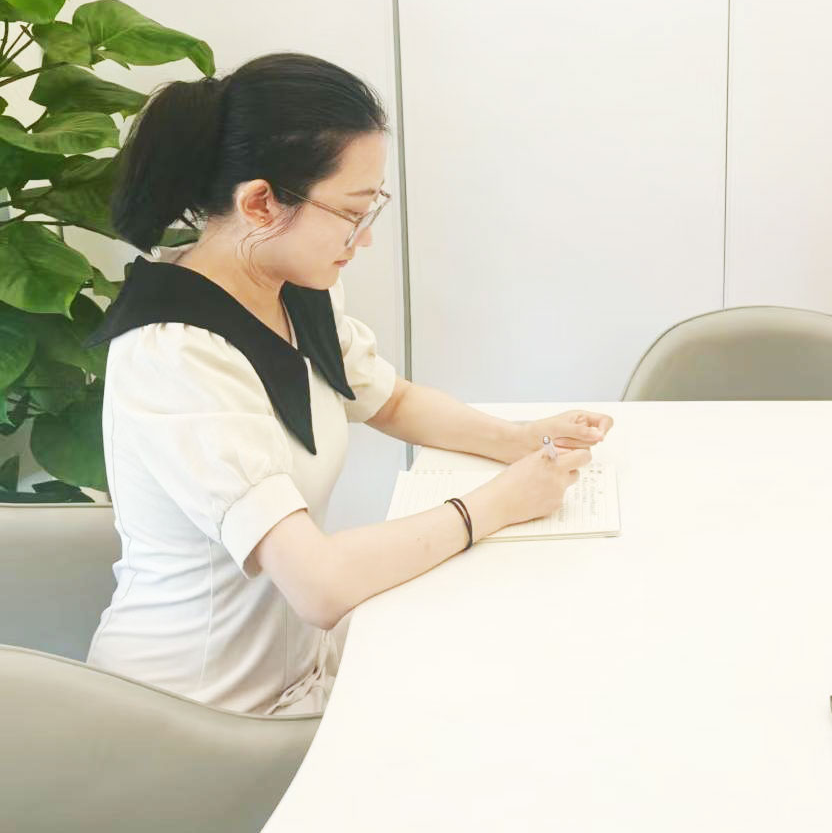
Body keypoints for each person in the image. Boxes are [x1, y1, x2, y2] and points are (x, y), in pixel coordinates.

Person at [86, 53, 611, 713]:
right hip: (197, 717)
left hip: (301, 670)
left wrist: (519, 440)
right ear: (259, 203)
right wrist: (500, 503)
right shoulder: (176, 354)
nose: (362, 240)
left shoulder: (289, 285)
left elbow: (391, 399)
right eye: (352, 212)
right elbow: (320, 585)